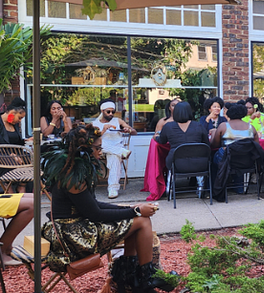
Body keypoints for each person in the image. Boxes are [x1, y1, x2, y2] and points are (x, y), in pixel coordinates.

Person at [41, 125, 174, 292]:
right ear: (84, 150)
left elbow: (94, 206)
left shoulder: (74, 168)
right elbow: (95, 213)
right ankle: (145, 280)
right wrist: (136, 211)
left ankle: (130, 279)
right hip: (72, 236)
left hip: (78, 225)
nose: (101, 152)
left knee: (136, 221)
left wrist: (130, 208)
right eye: (97, 148)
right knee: (142, 221)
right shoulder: (72, 177)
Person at [157, 102, 209, 197]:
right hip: (199, 164)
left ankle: (170, 190)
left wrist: (155, 137)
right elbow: (206, 144)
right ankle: (201, 187)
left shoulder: (168, 126)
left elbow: (162, 141)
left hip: (177, 164)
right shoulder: (199, 126)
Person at [210, 104, 260, 194]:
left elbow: (215, 144)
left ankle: (216, 187)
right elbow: (256, 146)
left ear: (229, 114)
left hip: (227, 160)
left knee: (214, 158)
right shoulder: (251, 128)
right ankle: (239, 188)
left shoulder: (223, 126)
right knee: (239, 154)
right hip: (245, 161)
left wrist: (214, 133)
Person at [92, 98, 137, 199]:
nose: (111, 114)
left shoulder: (117, 121)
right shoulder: (95, 124)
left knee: (114, 157)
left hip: (115, 148)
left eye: (113, 111)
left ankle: (113, 189)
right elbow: (91, 140)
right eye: (108, 112)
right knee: (100, 144)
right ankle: (122, 152)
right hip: (101, 149)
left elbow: (134, 132)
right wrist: (103, 130)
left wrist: (127, 130)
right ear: (102, 111)